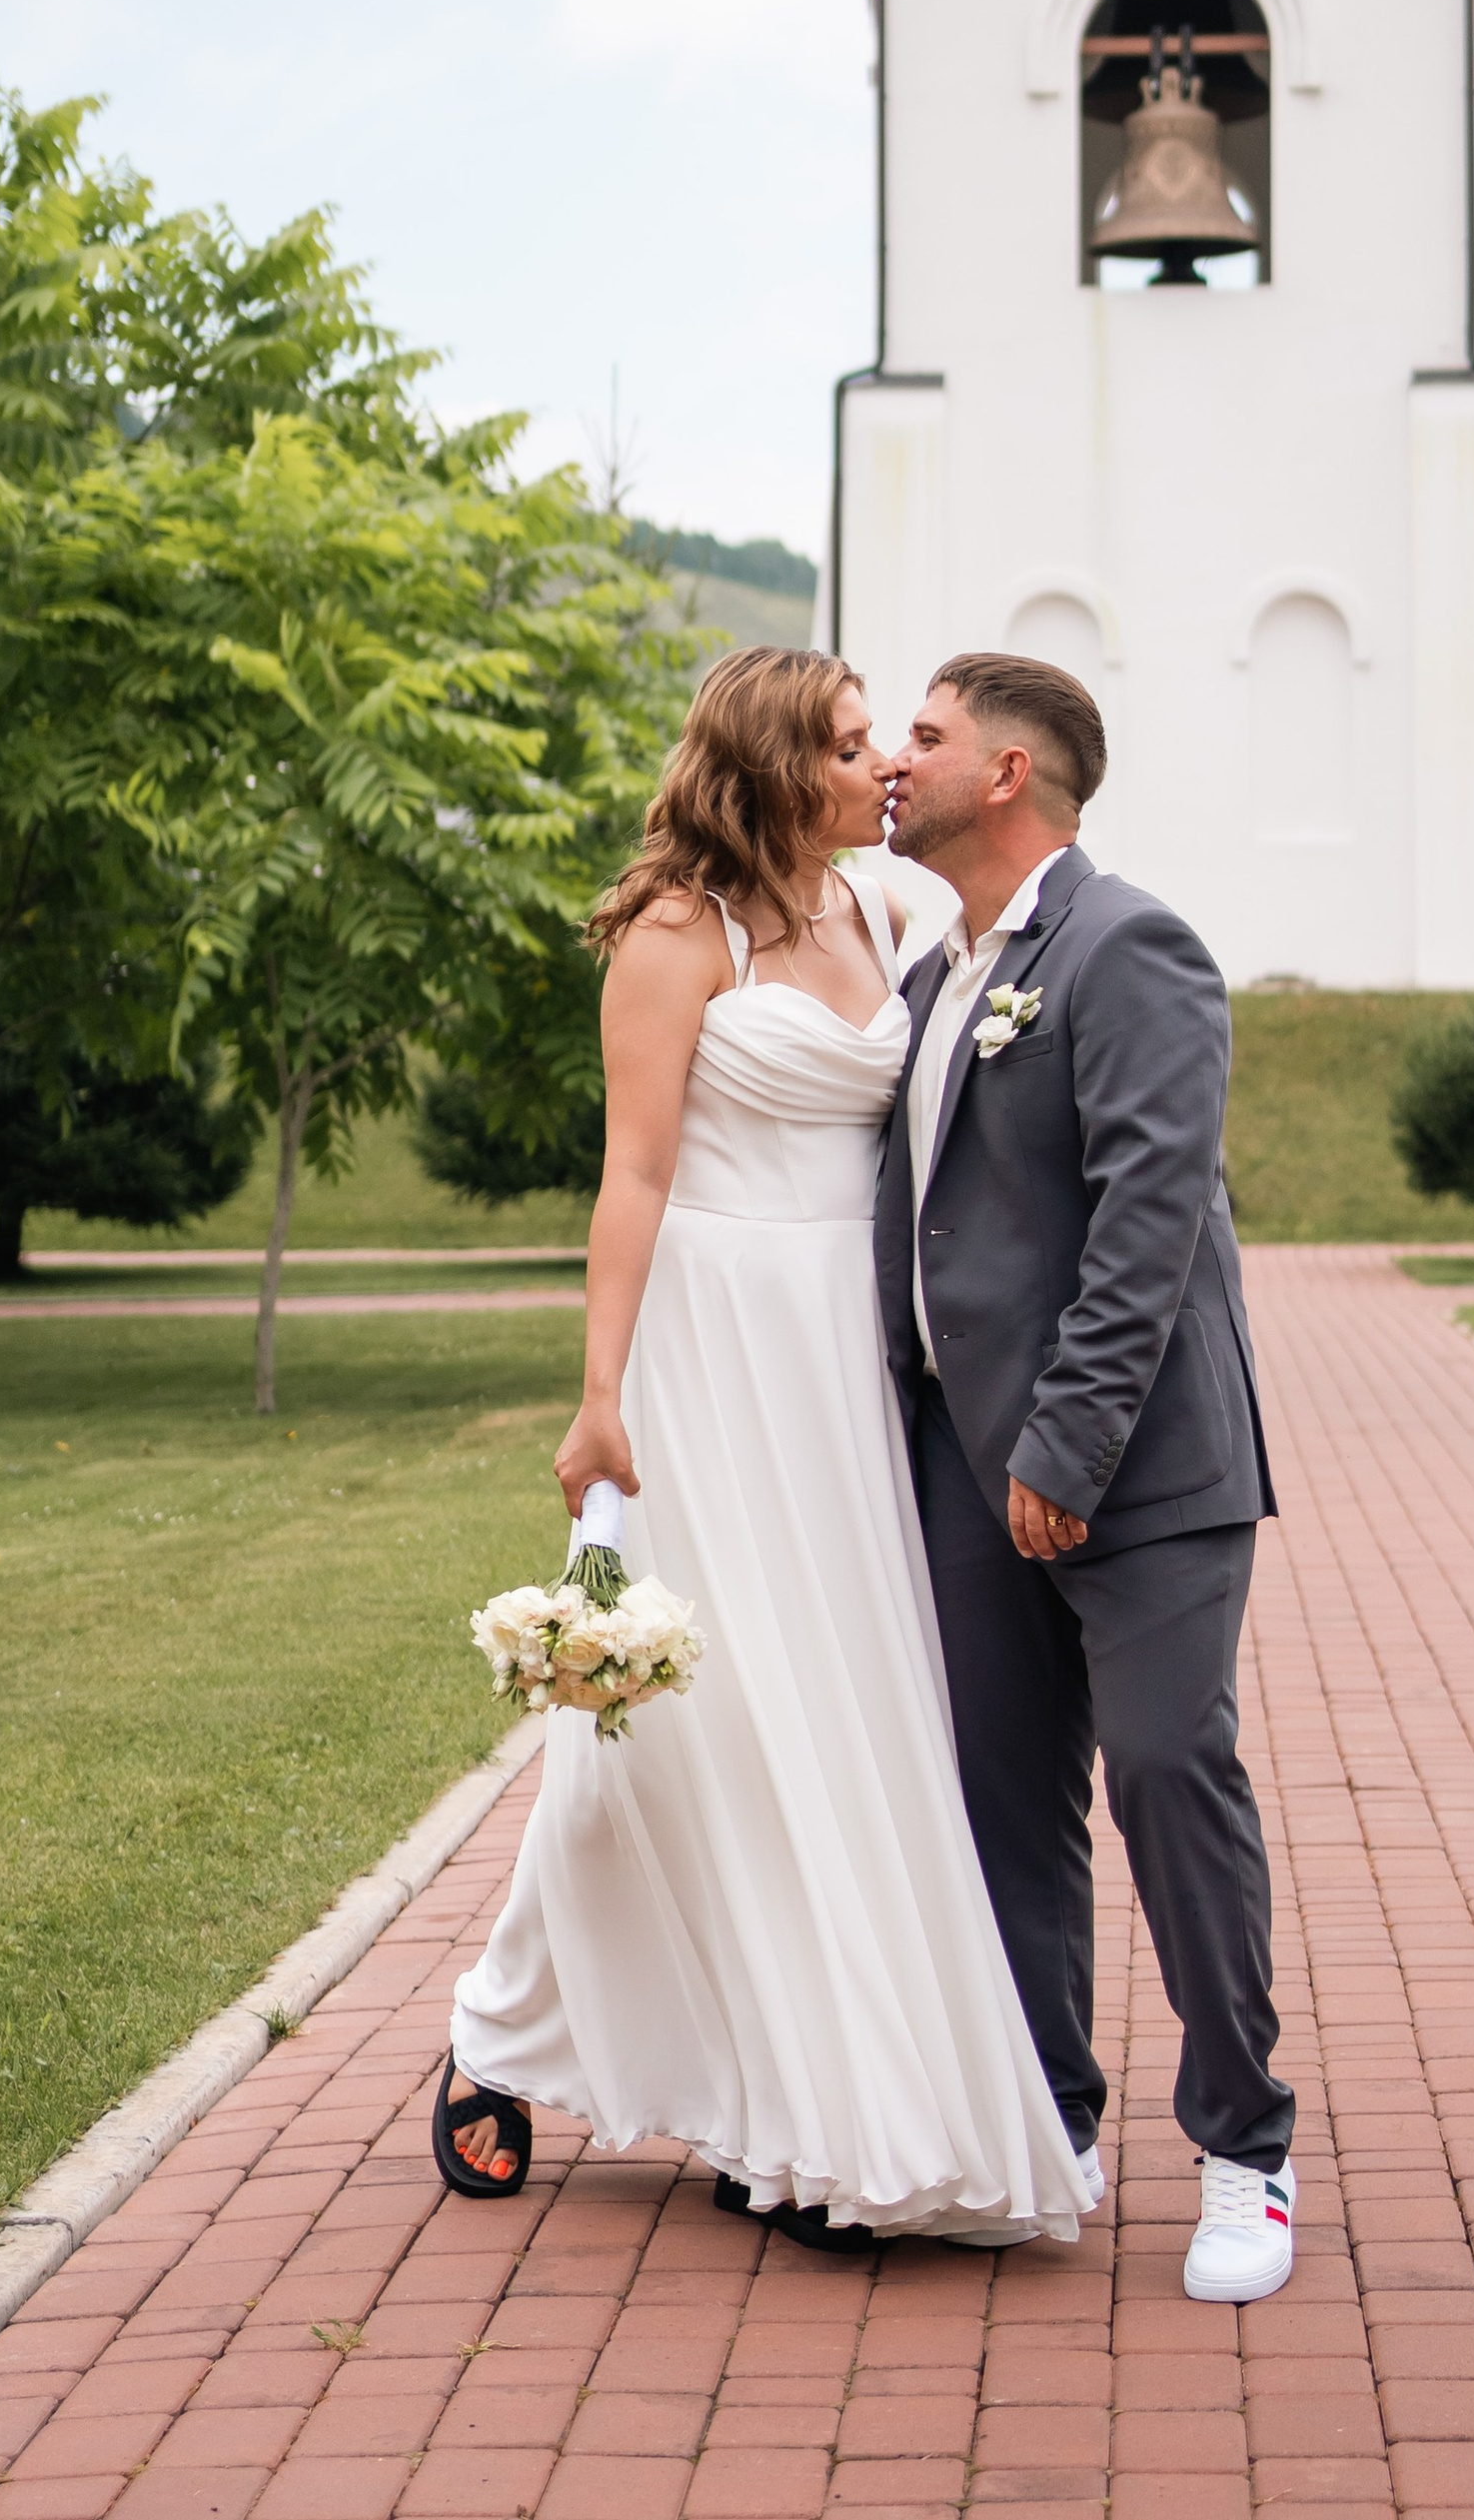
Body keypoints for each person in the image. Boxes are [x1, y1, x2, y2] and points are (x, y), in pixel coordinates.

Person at [435, 645, 1084, 2251]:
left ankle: (727, 2078)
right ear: (770, 761)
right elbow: (634, 1179)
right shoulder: (675, 934)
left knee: (842, 1705)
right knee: (703, 1716)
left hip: (842, 1358)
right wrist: (601, 1396)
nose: (880, 766)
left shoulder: (890, 914)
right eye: (850, 742)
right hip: (710, 1347)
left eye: (886, 739)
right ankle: (529, 2038)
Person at [878, 653, 1297, 2304]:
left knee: (1166, 1769)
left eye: (922, 733)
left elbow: (1148, 1221)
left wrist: (1064, 1448)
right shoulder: (930, 974)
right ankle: (1053, 2121)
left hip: (1137, 1467)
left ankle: (1247, 2151)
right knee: (1004, 1804)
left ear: (1010, 772)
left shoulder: (1132, 948)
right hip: (965, 1472)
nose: (892, 762)